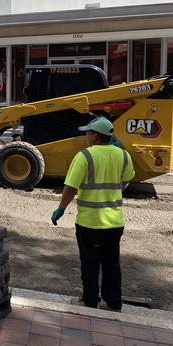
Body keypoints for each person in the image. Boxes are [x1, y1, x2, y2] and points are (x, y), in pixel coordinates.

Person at [51, 117, 135, 312]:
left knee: (90, 263)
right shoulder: (123, 155)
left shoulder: (85, 156)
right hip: (114, 222)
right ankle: (113, 302)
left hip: (90, 222)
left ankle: (89, 300)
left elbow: (71, 187)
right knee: (111, 263)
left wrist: (61, 209)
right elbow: (127, 179)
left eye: (88, 132)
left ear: (95, 135)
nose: (86, 136)